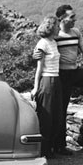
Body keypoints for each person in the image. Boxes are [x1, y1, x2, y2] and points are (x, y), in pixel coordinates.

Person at [34, 5, 83, 154]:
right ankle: (59, 146)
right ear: (62, 19)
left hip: (74, 71)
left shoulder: (76, 33)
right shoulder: (56, 35)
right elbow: (43, 45)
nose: (75, 20)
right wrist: (35, 55)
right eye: (72, 17)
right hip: (60, 75)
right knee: (61, 111)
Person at [31, 15, 63, 157]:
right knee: (46, 117)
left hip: (56, 80)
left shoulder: (53, 42)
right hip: (47, 80)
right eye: (57, 25)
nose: (58, 28)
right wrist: (36, 87)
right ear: (50, 26)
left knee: (56, 115)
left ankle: (49, 148)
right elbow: (39, 67)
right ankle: (43, 150)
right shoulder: (43, 43)